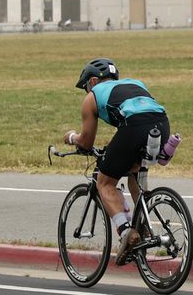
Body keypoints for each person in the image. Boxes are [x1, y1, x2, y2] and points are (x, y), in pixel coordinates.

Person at [61, 58, 172, 264]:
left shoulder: (92, 96)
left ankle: (126, 232)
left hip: (134, 127)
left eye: (86, 87)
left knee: (105, 182)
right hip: (162, 123)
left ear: (93, 81)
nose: (86, 91)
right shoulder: (136, 83)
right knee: (135, 171)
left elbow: (86, 142)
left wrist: (72, 138)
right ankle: (143, 226)